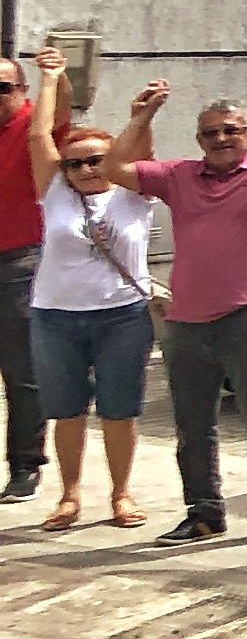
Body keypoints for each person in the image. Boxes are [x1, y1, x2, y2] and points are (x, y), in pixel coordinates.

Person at [106, 81, 247, 550]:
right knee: (193, 426)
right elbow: (113, 168)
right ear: (199, 139)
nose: (221, 139)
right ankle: (204, 514)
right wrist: (141, 117)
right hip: (187, 320)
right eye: (210, 132)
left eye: (231, 130)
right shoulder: (178, 175)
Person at [24, 50, 153, 529]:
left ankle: (121, 494)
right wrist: (50, 79)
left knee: (119, 410)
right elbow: (39, 135)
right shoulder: (56, 192)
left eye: (96, 160)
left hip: (122, 315)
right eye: (74, 164)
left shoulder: (133, 194)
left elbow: (140, 148)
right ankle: (69, 496)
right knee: (66, 410)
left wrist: (142, 117)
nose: (85, 170)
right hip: (55, 315)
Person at [0, 50, 51, 501]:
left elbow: (60, 120)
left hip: (20, 259)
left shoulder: (37, 126)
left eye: (3, 88)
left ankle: (25, 465)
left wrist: (56, 77)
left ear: (22, 91)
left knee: (21, 369)